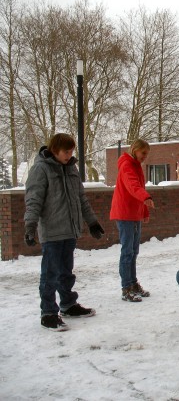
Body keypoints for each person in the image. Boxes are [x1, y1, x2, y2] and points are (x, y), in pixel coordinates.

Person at [24, 133, 104, 331]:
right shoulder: (41, 169)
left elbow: (81, 198)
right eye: (66, 152)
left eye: (71, 151)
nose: (69, 155)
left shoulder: (71, 168)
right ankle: (48, 313)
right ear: (55, 150)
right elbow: (33, 199)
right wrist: (30, 226)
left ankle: (68, 304)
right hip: (52, 231)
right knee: (50, 274)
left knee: (66, 272)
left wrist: (92, 222)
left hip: (70, 230)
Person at [110, 139, 155, 302]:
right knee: (127, 251)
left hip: (134, 214)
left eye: (146, 154)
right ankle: (126, 287)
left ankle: (133, 283)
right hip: (125, 214)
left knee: (133, 251)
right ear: (135, 150)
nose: (145, 157)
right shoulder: (127, 165)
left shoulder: (136, 166)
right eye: (143, 153)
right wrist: (146, 198)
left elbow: (139, 189)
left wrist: (144, 211)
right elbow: (133, 186)